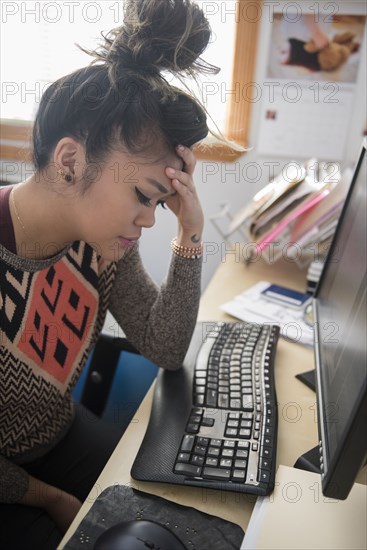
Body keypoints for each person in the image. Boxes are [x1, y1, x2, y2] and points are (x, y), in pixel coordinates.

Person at [0, 0, 219, 547]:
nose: (148, 219)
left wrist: (189, 236)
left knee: (178, 517)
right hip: (8, 477)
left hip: (57, 433)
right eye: (145, 198)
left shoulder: (101, 246)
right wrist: (46, 497)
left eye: (161, 204)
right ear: (70, 161)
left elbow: (165, 347)